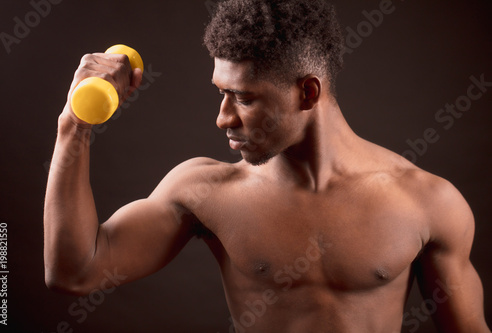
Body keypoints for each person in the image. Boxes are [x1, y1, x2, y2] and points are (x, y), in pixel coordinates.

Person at [43, 0, 490, 332]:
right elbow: (75, 271)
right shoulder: (205, 192)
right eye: (221, 92)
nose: (222, 117)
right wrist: (74, 127)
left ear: (308, 93)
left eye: (243, 97)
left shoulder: (427, 202)